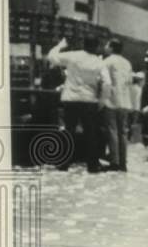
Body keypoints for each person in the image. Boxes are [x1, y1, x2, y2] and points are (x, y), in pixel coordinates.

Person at [47, 34, 104, 172]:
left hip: (71, 99)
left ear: (84, 44)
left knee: (69, 130)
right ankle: (93, 165)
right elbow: (106, 83)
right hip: (89, 100)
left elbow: (51, 57)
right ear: (96, 47)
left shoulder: (73, 56)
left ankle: (64, 164)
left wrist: (60, 45)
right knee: (91, 133)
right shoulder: (99, 62)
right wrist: (101, 100)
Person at [99, 38, 133, 172]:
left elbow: (104, 81)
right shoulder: (127, 63)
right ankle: (123, 163)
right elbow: (129, 81)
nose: (105, 46)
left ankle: (114, 162)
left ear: (111, 48)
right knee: (123, 132)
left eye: (107, 44)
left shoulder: (107, 62)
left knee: (112, 131)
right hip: (125, 101)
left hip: (111, 100)